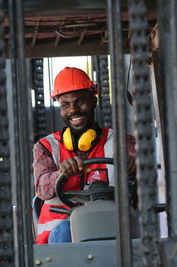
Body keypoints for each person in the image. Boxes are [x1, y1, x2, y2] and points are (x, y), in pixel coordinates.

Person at [33, 67, 137, 244]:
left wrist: (136, 168)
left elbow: (146, 180)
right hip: (61, 236)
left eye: (80, 101)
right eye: (65, 104)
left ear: (94, 100)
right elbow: (42, 189)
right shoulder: (46, 146)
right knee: (66, 230)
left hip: (110, 226)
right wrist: (61, 174)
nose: (73, 109)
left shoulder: (121, 141)